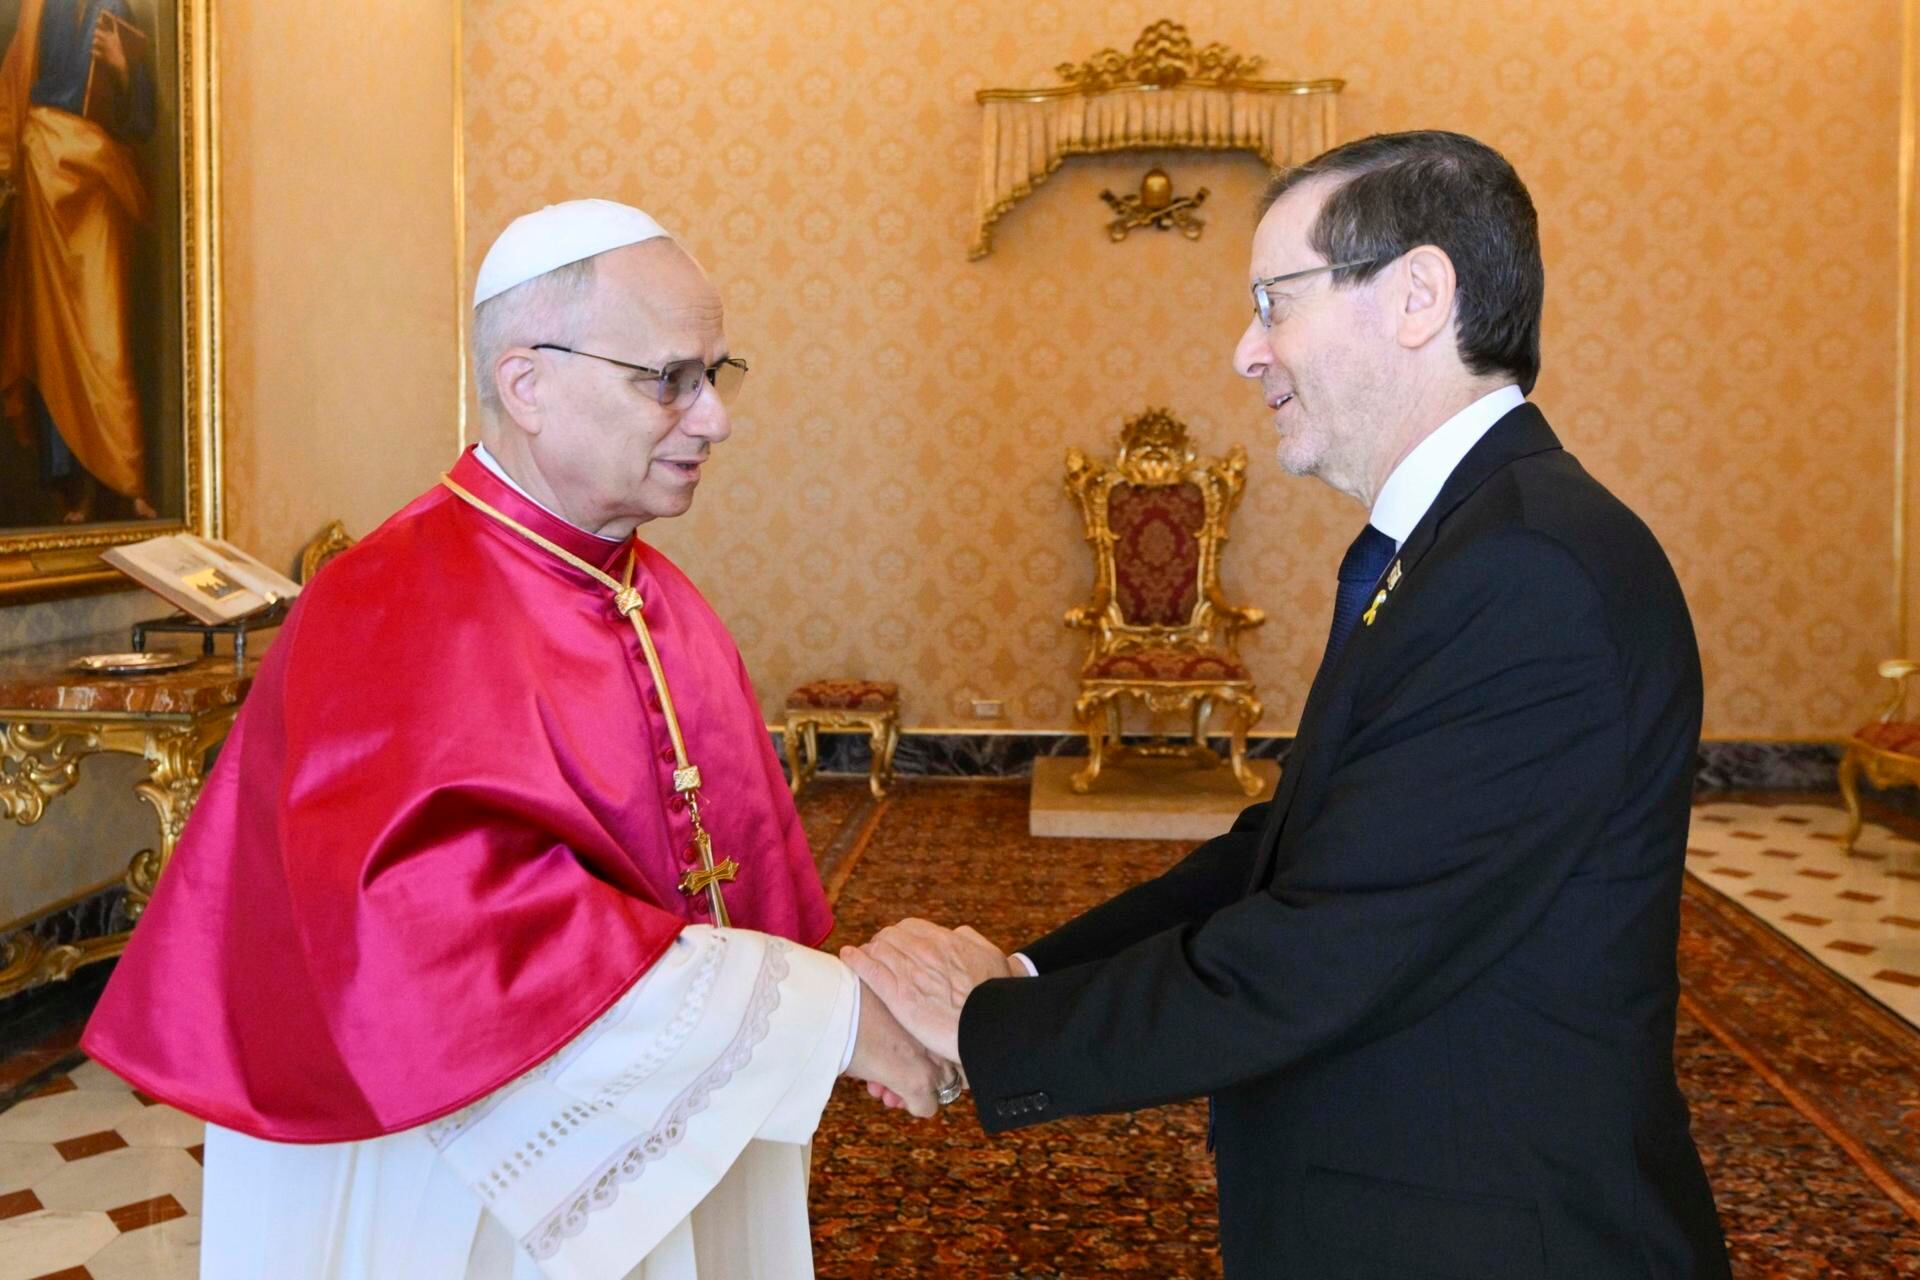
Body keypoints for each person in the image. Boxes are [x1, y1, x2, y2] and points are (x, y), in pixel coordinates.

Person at [846, 131, 1733, 1278]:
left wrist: (979, 1025)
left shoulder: (1529, 570)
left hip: (1493, 1227)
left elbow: (1322, 943)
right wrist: (1020, 975)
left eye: (1275, 300)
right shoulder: (1473, 539)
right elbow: (1291, 849)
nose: (1245, 349)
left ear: (1419, 294)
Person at [83, 199, 950, 1279]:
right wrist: (829, 1021)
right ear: (526, 382)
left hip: (657, 1124)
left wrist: (815, 1014)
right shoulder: (394, 601)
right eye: (668, 379)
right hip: (452, 1175)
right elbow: (451, 934)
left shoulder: (655, 591)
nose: (713, 418)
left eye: (718, 374)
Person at [0, 0, 158, 523]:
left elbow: (142, 119)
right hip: (45, 162)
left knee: (103, 336)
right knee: (53, 340)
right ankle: (75, 492)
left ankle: (125, 475)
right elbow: (12, 85)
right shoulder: (34, 9)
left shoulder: (119, 6)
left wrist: (121, 63)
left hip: (96, 175)